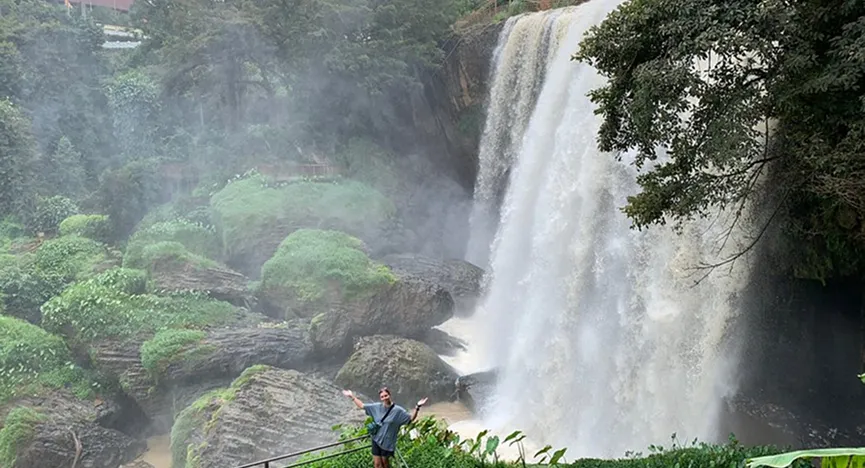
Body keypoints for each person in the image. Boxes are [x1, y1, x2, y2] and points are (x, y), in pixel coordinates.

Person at [342, 387, 428, 468]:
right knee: (377, 464)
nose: (384, 398)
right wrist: (352, 396)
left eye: (386, 395)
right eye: (382, 397)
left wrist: (417, 407)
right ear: (380, 398)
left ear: (389, 395)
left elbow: (411, 418)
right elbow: (361, 405)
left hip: (388, 443)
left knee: (385, 464)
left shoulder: (398, 411)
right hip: (376, 439)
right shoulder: (376, 407)